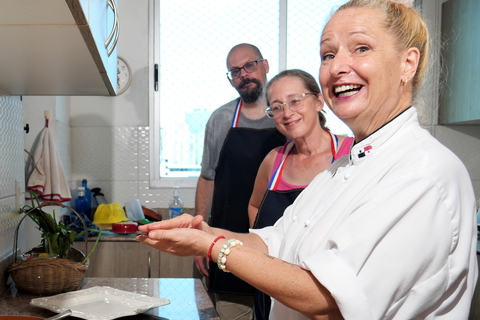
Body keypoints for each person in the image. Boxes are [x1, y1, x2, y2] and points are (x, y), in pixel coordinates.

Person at [138, 1, 478, 319]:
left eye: (361, 48)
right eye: (328, 54)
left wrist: (213, 245)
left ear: (408, 63)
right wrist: (205, 230)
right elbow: (273, 240)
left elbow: (327, 298)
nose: (337, 67)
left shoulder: (422, 173)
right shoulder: (342, 169)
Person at [248, 69, 354, 319]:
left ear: (318, 102)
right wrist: (268, 251)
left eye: (295, 101)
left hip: (328, 296)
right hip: (272, 286)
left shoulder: (351, 153)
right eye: (276, 107)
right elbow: (254, 206)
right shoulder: (273, 161)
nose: (286, 113)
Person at [194, 43, 286, 319]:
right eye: (235, 71)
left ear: (265, 66)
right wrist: (200, 235)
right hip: (227, 246)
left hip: (278, 250)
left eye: (250, 65)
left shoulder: (286, 118)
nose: (243, 74)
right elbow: (207, 178)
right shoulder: (220, 120)